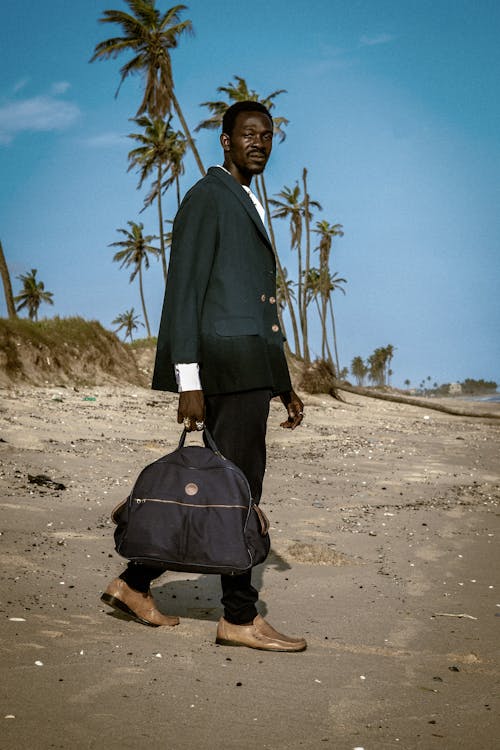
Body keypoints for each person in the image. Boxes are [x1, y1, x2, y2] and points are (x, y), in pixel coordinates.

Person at [101, 101, 306, 652]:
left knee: (219, 491)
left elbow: (255, 306)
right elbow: (184, 292)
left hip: (251, 371)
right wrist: (187, 379)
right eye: (248, 134)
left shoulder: (249, 201)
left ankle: (133, 583)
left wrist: (282, 381)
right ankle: (238, 618)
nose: (259, 143)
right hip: (223, 371)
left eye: (267, 135)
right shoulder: (207, 198)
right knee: (239, 492)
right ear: (224, 139)